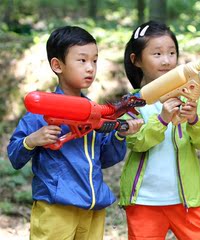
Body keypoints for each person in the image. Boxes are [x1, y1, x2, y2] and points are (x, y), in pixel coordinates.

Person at [7, 26, 143, 240]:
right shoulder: (40, 113)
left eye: (94, 60)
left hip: (93, 207)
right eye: (82, 60)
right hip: (56, 208)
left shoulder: (95, 111)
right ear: (57, 65)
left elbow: (106, 158)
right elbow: (14, 156)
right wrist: (32, 140)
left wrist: (119, 135)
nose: (90, 68)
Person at [119, 21, 200, 240]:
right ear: (136, 60)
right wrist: (162, 120)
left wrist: (193, 120)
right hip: (144, 200)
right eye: (157, 54)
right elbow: (136, 142)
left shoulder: (192, 95)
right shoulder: (132, 102)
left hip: (185, 200)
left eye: (172, 52)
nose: (166, 60)